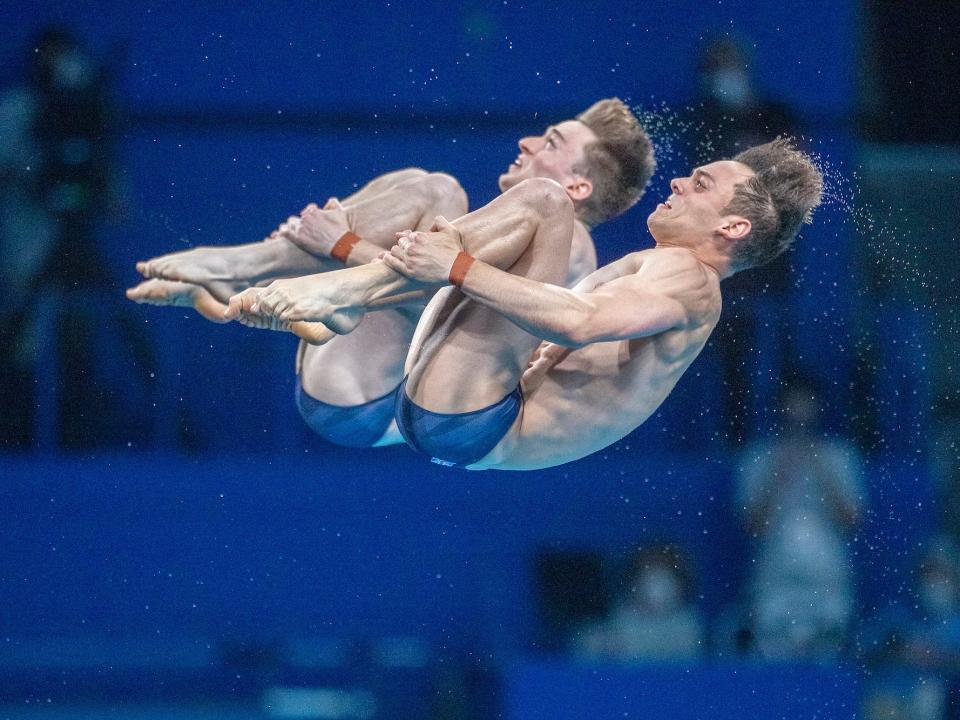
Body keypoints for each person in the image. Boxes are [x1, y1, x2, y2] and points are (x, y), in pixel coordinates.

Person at [225, 137, 823, 471]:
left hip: (475, 420)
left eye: (700, 185)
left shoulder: (691, 280)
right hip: (455, 422)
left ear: (734, 227)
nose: (675, 183)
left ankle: (345, 287)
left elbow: (579, 322)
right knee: (484, 217)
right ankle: (350, 284)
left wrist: (455, 266)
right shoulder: (659, 271)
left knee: (543, 201)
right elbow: (534, 318)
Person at [130, 99, 656, 448]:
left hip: (376, 403)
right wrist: (341, 244)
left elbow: (438, 295)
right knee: (431, 189)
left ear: (579, 187)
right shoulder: (524, 231)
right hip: (371, 383)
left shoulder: (574, 244)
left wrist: (341, 243)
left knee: (438, 198)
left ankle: (246, 267)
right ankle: (243, 276)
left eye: (550, 143)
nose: (526, 142)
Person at [736, 376, 865, 659]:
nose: (798, 413)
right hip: (775, 583)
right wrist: (775, 477)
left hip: (828, 582)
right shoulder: (759, 457)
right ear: (780, 409)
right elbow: (753, 527)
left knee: (828, 663)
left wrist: (820, 469)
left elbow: (851, 521)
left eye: (805, 404)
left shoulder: (840, 456)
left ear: (818, 408)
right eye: (792, 405)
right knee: (774, 667)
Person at [574, 544, 704, 662]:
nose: (655, 583)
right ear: (634, 580)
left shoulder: (688, 625)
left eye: (664, 570)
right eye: (648, 571)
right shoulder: (616, 621)